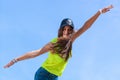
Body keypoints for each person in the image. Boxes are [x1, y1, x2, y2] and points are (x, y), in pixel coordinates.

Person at [4, 5, 113, 80]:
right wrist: (15, 60)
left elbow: (85, 26)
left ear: (71, 31)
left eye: (68, 30)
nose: (66, 32)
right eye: (64, 29)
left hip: (55, 77)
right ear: (61, 30)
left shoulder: (72, 39)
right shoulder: (54, 43)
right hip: (43, 74)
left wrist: (99, 12)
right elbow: (36, 53)